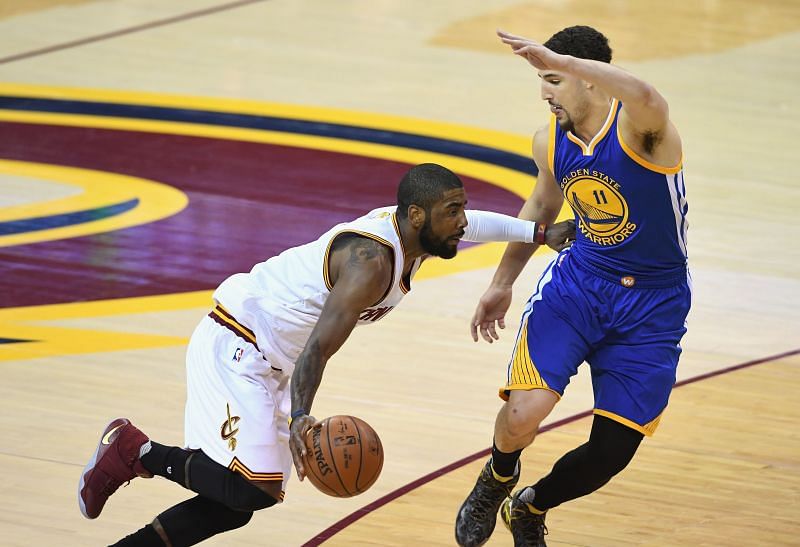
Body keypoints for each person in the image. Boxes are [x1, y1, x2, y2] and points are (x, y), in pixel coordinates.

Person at [77, 162, 575, 546]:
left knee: (236, 504)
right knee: (252, 490)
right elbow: (318, 349)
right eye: (452, 213)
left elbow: (476, 226)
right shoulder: (371, 263)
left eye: (460, 209)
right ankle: (136, 450)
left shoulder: (413, 231)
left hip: (268, 359)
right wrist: (300, 416)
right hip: (236, 343)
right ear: (417, 215)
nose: (461, 222)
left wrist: (537, 233)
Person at [454, 27, 691, 546]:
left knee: (610, 453)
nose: (545, 92)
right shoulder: (550, 140)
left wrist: (572, 63)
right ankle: (496, 479)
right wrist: (501, 282)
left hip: (653, 305)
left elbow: (648, 95)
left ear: (587, 79)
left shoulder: (642, 130)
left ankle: (532, 506)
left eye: (555, 79)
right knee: (523, 413)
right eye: (542, 80)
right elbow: (541, 207)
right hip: (580, 286)